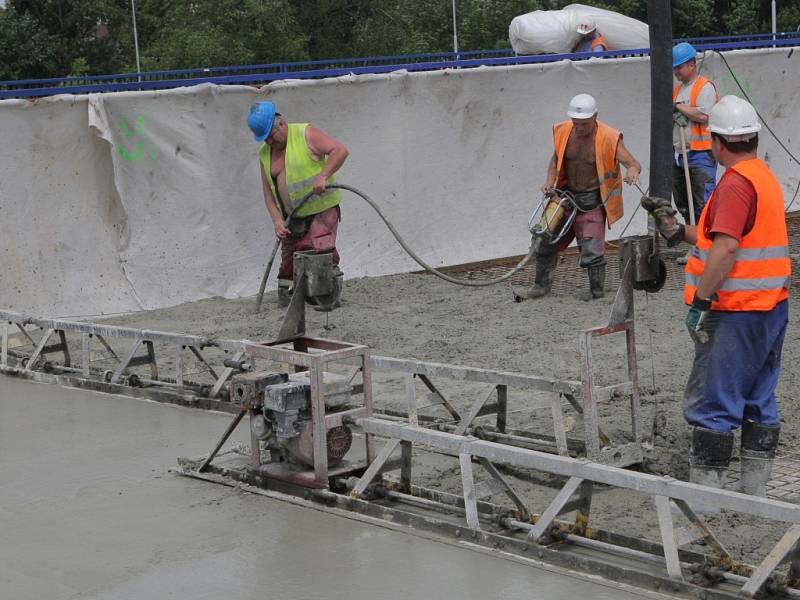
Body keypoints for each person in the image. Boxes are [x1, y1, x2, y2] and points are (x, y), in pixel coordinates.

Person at [642, 95, 790, 497]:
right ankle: (755, 494)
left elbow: (725, 249)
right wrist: (677, 230)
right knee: (759, 396)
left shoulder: (734, 185)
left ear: (718, 142)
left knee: (715, 401)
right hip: (770, 308)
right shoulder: (762, 177)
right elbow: (720, 235)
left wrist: (700, 303)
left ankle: (706, 502)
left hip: (735, 312)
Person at [517, 93, 641, 300]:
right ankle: (541, 285)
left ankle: (596, 291)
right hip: (564, 197)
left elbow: (633, 163)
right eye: (576, 123)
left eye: (584, 124)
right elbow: (556, 160)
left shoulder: (609, 137)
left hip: (590, 202)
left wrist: (632, 172)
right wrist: (549, 182)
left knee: (592, 250)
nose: (580, 128)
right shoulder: (564, 131)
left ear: (595, 117)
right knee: (544, 239)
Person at [247, 101, 349, 306]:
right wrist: (277, 221)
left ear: (281, 124)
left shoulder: (305, 134)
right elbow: (268, 194)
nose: (268, 143)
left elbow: (340, 151)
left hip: (322, 210)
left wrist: (323, 176)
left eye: (271, 136)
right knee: (289, 262)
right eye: (264, 139)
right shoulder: (264, 154)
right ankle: (290, 302)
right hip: (292, 218)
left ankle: (326, 300)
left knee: (319, 252)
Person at [672, 42, 719, 227]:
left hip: (701, 154)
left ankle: (708, 244)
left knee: (703, 202)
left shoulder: (704, 87)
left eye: (679, 67)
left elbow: (703, 115)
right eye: (674, 68)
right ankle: (695, 242)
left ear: (692, 64)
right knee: (684, 202)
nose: (676, 72)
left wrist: (678, 107)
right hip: (679, 154)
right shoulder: (677, 90)